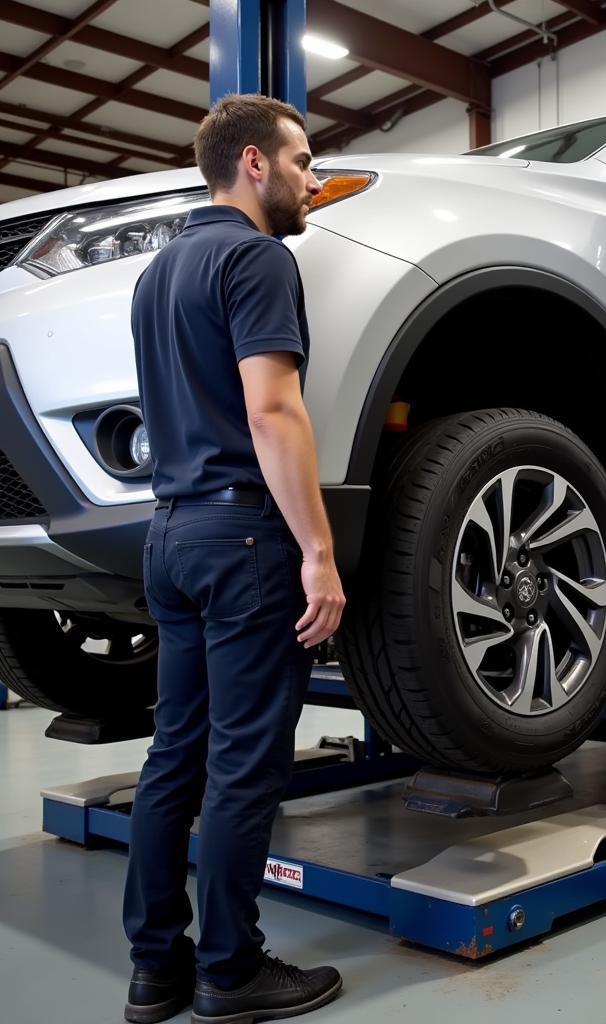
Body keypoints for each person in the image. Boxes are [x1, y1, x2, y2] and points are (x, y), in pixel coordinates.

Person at [122, 93, 345, 1024]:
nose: (310, 179)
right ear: (252, 163)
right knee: (245, 764)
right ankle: (231, 970)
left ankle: (155, 970)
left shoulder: (157, 272)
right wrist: (319, 553)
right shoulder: (257, 258)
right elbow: (272, 412)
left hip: (170, 534)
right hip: (245, 535)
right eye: (300, 161)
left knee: (175, 754)